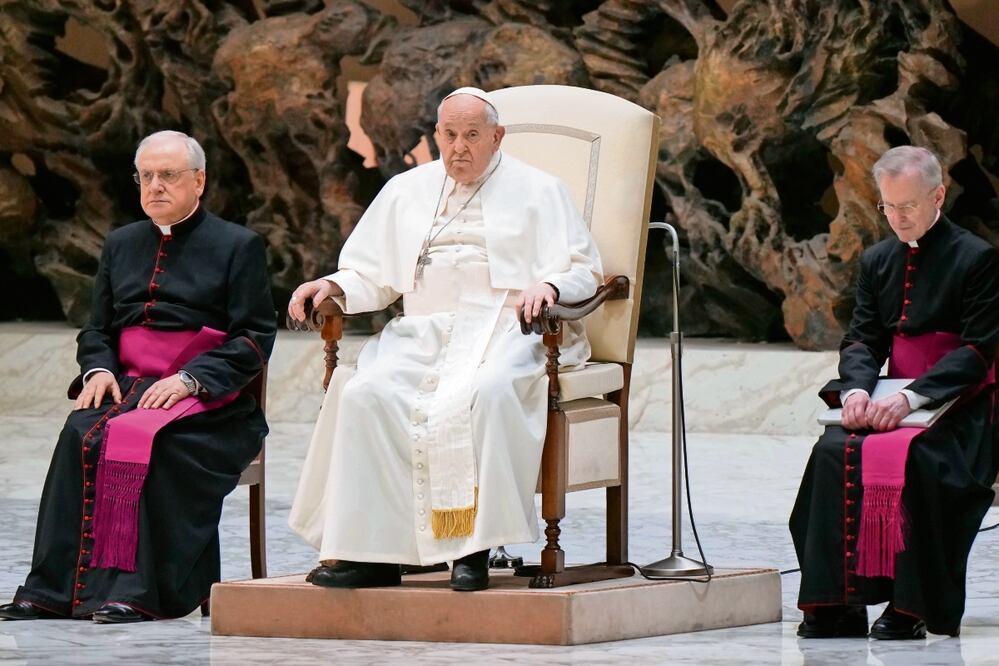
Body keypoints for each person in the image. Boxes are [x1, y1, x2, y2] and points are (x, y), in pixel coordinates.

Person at [287, 87, 602, 591]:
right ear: (436, 135)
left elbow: (585, 270)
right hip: (423, 332)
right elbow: (372, 274)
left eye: (472, 135)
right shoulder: (405, 190)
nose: (459, 147)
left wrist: (549, 285)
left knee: (493, 391)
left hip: (508, 329)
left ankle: (473, 548)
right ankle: (373, 553)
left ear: (497, 138)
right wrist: (334, 286)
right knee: (365, 393)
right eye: (450, 135)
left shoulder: (540, 191)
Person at [0, 131, 276, 623]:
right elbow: (97, 328)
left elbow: (254, 337)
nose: (155, 186)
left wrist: (191, 380)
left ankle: (143, 592)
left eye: (167, 175)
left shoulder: (239, 245)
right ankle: (52, 590)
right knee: (77, 434)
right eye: (145, 176)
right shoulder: (121, 243)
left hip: (210, 401)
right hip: (126, 390)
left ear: (199, 180)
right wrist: (99, 368)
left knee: (161, 445)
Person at [790, 146, 999, 639]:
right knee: (831, 452)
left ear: (938, 196)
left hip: (960, 404)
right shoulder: (877, 259)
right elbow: (863, 338)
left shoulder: (978, 258)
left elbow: (978, 350)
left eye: (907, 206)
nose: (897, 218)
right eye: (888, 207)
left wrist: (911, 399)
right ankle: (837, 602)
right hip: (887, 398)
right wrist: (856, 394)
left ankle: (912, 604)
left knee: (922, 461)